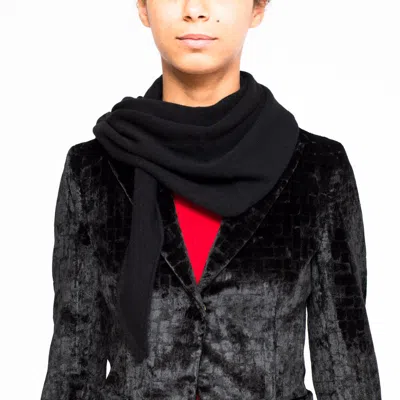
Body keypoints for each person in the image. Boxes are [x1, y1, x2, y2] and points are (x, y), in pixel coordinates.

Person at [40, 0, 382, 399]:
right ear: (144, 7)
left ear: (257, 8)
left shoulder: (318, 170)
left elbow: (346, 365)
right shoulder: (92, 170)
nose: (195, 9)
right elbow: (73, 366)